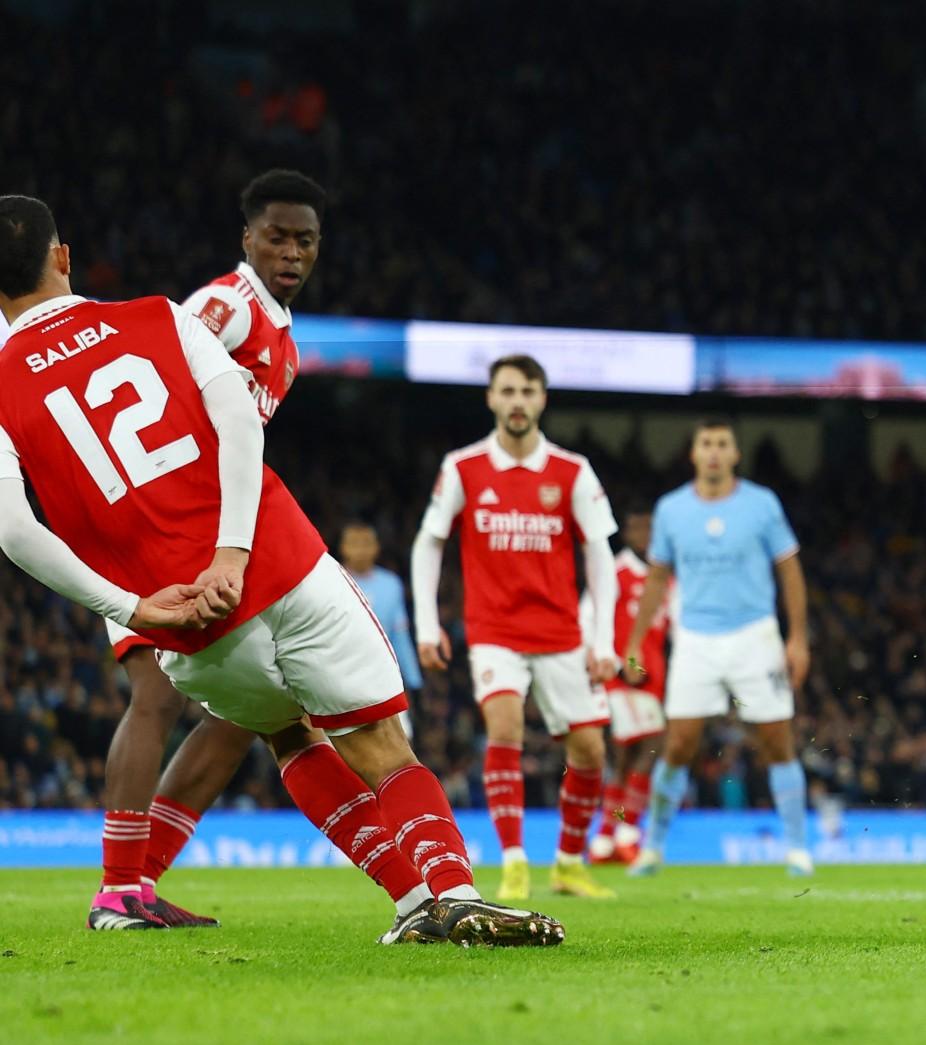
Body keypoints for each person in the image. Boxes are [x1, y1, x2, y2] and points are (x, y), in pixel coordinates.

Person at [0, 194, 559, 945]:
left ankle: (408, 904)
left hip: (185, 624)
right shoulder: (162, 316)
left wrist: (132, 608)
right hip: (276, 564)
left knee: (289, 736)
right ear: (62, 257)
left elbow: (12, 530)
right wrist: (231, 551)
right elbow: (235, 419)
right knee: (381, 745)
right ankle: (449, 890)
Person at [91, 170, 433, 931]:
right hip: (163, 529)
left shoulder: (279, 330)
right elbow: (152, 378)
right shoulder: (225, 305)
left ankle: (136, 883)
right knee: (157, 695)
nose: (290, 251)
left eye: (304, 240)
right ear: (247, 237)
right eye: (276, 236)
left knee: (251, 720)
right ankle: (119, 890)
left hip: (200, 531)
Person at [411, 355, 620, 901]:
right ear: (491, 398)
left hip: (561, 633)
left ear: (542, 398)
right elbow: (429, 542)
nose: (517, 401)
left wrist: (603, 641)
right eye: (507, 390)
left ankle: (569, 864)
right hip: (494, 628)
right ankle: (514, 860)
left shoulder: (572, 471)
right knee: (503, 727)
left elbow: (600, 556)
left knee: (591, 752)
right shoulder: (463, 467)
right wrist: (428, 625)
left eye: (527, 390)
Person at [624, 419, 812, 878]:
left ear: (734, 455)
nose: (713, 452)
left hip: (756, 636)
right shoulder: (671, 510)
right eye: (705, 443)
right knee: (680, 742)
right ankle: (653, 847)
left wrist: (798, 638)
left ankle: (797, 847)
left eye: (722, 444)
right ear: (693, 453)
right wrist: (633, 642)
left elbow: (790, 570)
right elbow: (656, 580)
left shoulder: (762, 504)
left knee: (776, 740)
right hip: (695, 639)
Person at [582, 511, 669, 866]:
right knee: (648, 747)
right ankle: (626, 831)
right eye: (637, 527)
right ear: (627, 532)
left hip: (654, 681)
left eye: (650, 528)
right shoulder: (615, 572)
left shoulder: (665, 577)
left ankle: (606, 839)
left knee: (632, 756)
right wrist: (611, 662)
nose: (644, 534)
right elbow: (585, 617)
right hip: (624, 677)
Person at [340, 522, 425, 700]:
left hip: (384, 677)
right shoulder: (334, 581)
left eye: (366, 543)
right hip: (344, 675)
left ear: (376, 547)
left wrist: (413, 680)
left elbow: (400, 634)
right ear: (343, 548)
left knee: (399, 727)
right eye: (355, 544)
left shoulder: (391, 584)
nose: (361, 550)